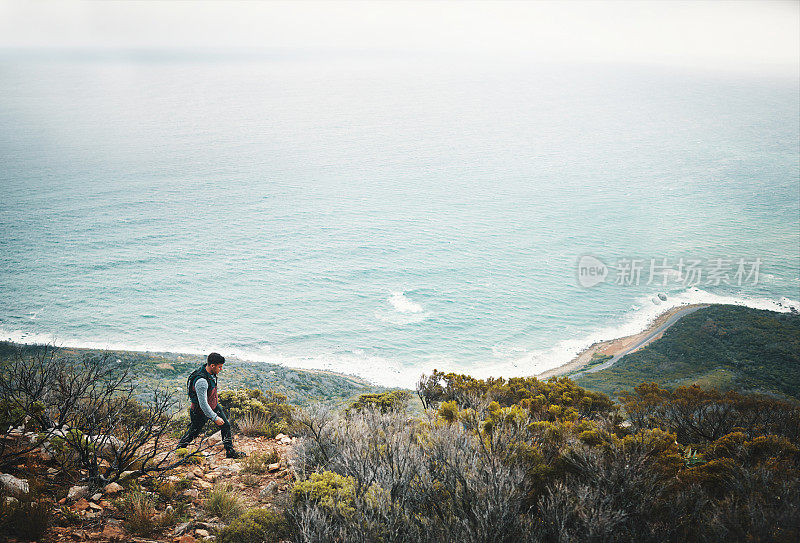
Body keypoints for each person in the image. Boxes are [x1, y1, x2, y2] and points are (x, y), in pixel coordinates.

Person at [177, 352, 247, 458]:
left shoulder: (210, 373)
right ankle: (179, 451)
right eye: (220, 367)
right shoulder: (202, 381)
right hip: (200, 411)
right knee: (193, 433)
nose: (221, 369)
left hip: (213, 406)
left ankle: (230, 452)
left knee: (226, 426)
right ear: (212, 365)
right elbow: (203, 404)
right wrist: (214, 418)